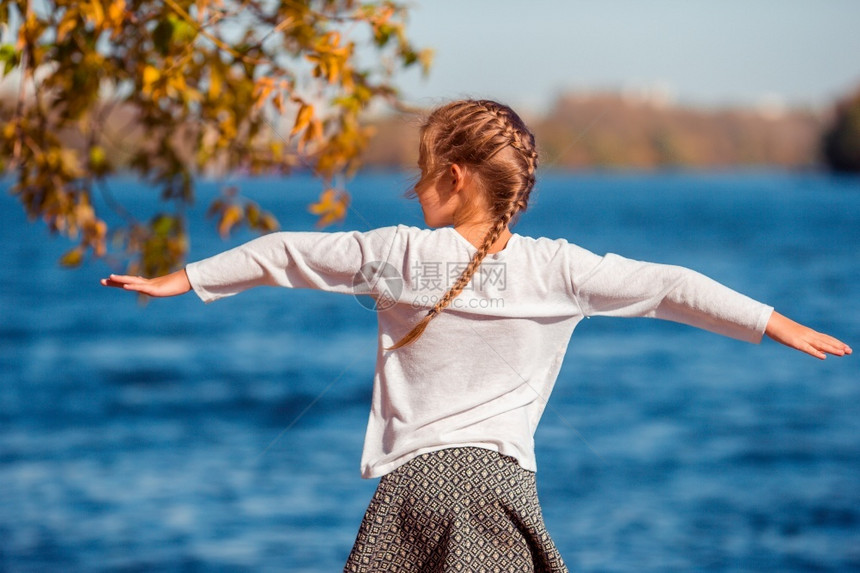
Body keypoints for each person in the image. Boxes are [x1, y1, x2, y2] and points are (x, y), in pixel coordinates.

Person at [102, 99, 851, 572]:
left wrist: (185, 279)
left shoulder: (398, 251)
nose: (413, 188)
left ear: (456, 178)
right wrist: (774, 322)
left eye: (423, 173)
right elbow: (669, 285)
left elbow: (285, 251)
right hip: (493, 489)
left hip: (412, 492)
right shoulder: (556, 266)